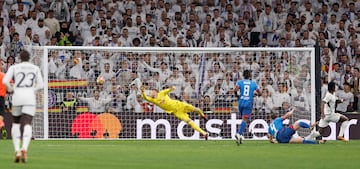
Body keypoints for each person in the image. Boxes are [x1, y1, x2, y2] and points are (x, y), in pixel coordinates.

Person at [2, 50, 44, 163]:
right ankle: (24, 148)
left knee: (16, 123)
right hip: (29, 97)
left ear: (20, 58)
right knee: (28, 123)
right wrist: (32, 90)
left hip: (17, 96)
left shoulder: (14, 68)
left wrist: (11, 89)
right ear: (29, 58)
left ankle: (17, 150)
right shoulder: (35, 68)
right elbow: (41, 84)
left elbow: (5, 81)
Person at [141, 86, 209, 140]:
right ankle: (204, 133)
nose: (150, 93)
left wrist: (172, 88)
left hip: (180, 105)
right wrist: (143, 92)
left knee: (196, 109)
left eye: (151, 92)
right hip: (176, 112)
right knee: (189, 122)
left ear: (155, 92)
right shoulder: (153, 100)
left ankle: (203, 115)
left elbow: (169, 89)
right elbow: (145, 98)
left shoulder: (161, 93)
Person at [234, 70, 260, 145]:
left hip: (241, 102)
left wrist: (237, 96)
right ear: (250, 76)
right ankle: (239, 134)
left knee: (243, 119)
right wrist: (255, 95)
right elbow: (259, 92)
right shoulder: (253, 83)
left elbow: (235, 90)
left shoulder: (240, 82)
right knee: (245, 120)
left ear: (243, 75)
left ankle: (241, 136)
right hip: (248, 103)